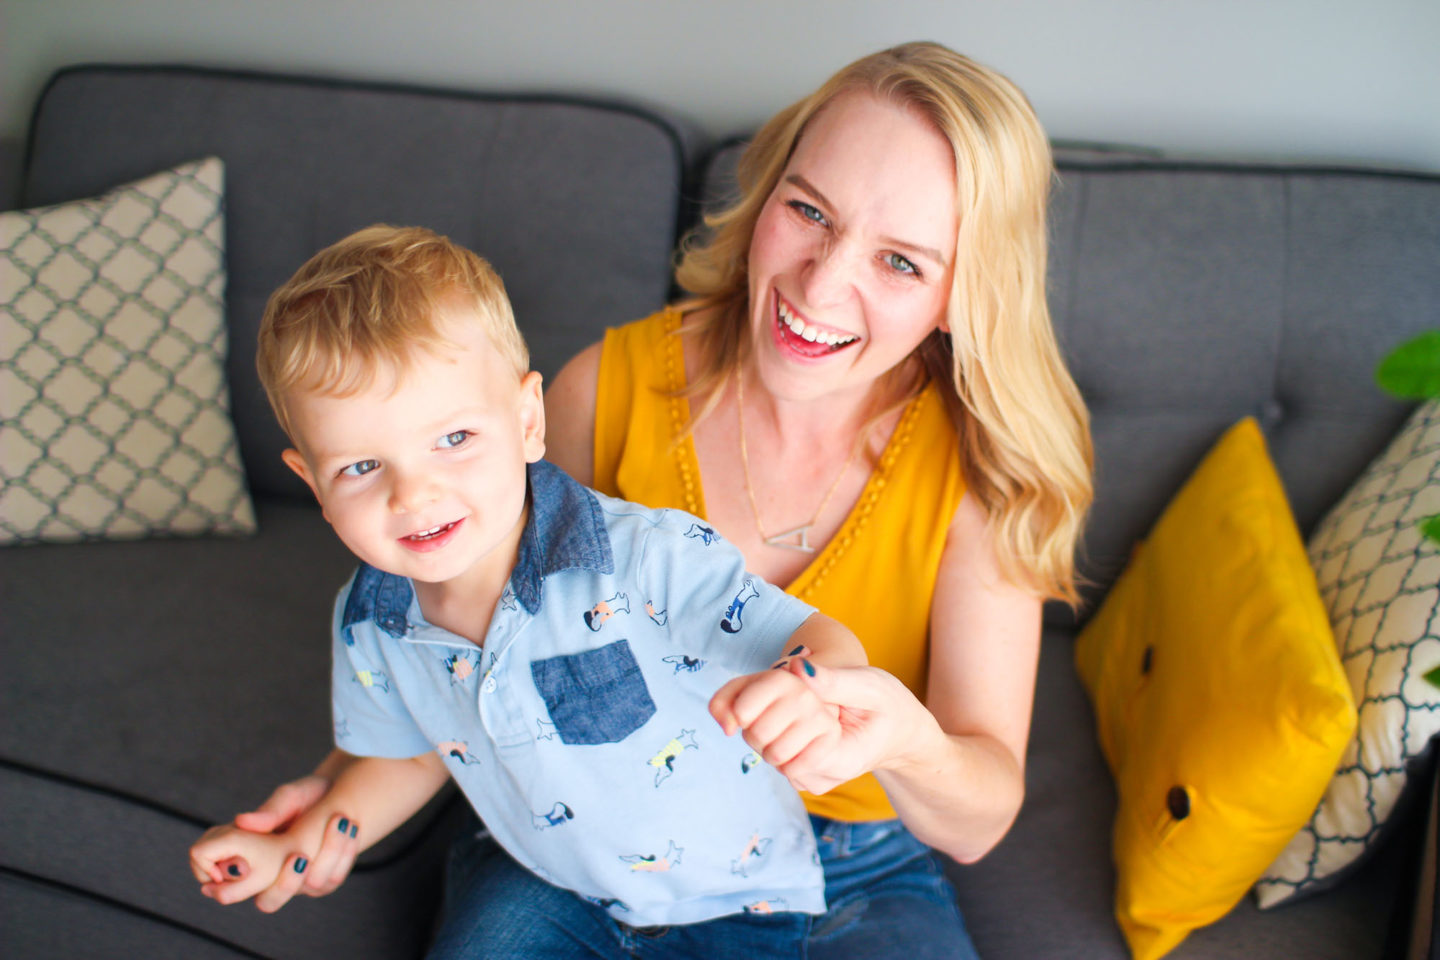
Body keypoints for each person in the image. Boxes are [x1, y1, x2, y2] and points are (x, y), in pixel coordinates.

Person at [226, 41, 1093, 959]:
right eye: (808, 211)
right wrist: (332, 805)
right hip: (580, 831)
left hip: (847, 863)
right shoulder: (602, 392)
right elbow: (467, 649)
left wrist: (900, 738)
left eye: (902, 263)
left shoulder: (982, 480)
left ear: (966, 294)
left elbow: (977, 817)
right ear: (764, 199)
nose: (821, 283)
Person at [187, 225, 871, 953]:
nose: (413, 496)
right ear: (311, 483)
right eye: (361, 467)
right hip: (550, 881)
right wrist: (299, 844)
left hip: (739, 897)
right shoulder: (369, 621)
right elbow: (413, 752)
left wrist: (811, 687)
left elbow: (814, 636)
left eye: (453, 440)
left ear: (527, 422)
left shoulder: (646, 559)